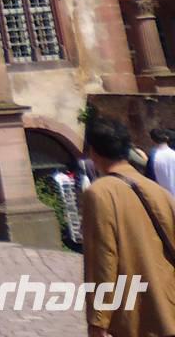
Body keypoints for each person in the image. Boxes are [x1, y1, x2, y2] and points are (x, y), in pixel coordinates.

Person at [80, 116, 175, 336]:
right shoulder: (157, 190)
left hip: (139, 315)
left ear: (93, 152)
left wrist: (98, 320)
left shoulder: (99, 193)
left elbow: (103, 258)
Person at [150, 128, 175, 200]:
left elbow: (150, 180)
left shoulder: (153, 157)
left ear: (152, 140)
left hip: (165, 199)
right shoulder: (173, 154)